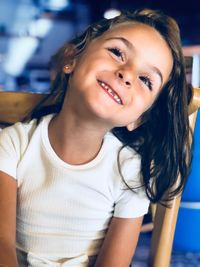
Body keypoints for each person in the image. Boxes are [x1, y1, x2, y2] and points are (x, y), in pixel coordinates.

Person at [0, 8, 192, 267]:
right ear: (71, 58)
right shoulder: (12, 145)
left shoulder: (130, 172)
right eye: (117, 52)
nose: (127, 74)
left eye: (146, 80)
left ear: (139, 118)